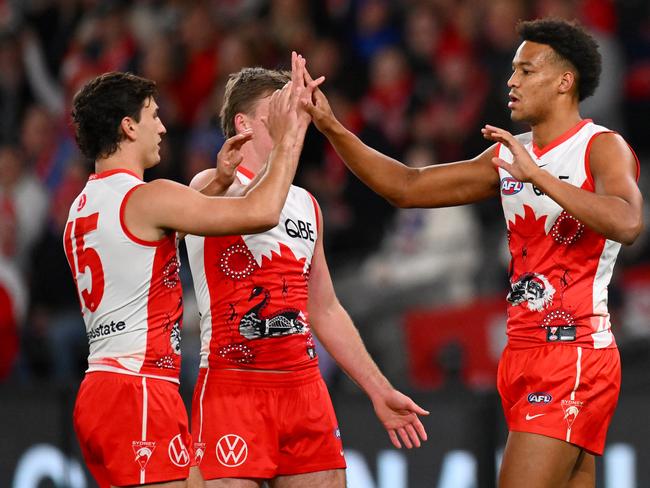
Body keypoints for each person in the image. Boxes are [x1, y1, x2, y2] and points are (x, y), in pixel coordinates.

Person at [303, 18, 644, 488]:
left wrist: (539, 177)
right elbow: (406, 186)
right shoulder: (509, 154)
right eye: (512, 70)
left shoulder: (601, 147)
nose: (511, 81)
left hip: (573, 351)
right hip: (521, 351)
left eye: (526, 71)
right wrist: (332, 127)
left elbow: (628, 222)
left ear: (565, 81)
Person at [63, 52, 317, 488]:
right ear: (128, 126)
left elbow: (147, 250)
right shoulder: (148, 196)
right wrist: (289, 137)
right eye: (153, 116)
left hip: (101, 389)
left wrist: (217, 181)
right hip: (138, 389)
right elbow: (261, 211)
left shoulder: (82, 207)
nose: (162, 127)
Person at [184, 66, 429, 488]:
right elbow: (256, 204)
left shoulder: (306, 205)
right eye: (278, 110)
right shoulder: (211, 184)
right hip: (235, 386)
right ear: (243, 123)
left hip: (304, 389)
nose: (294, 118)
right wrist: (288, 140)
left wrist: (377, 388)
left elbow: (326, 308)